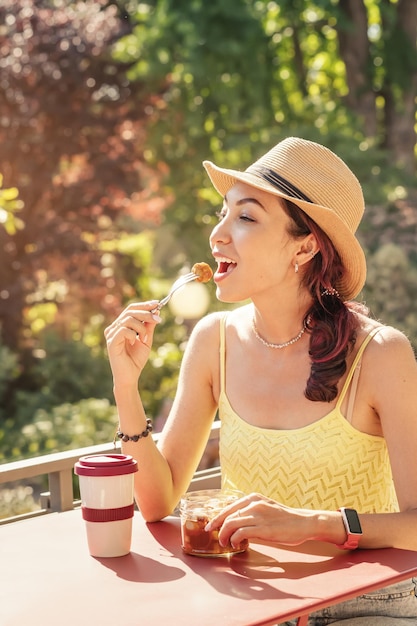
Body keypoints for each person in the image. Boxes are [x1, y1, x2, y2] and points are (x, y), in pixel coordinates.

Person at [105, 137, 417, 624]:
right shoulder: (215, 341)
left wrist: (309, 525)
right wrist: (126, 386)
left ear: (305, 246)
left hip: (362, 605)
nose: (218, 235)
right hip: (247, 599)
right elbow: (158, 501)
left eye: (246, 217)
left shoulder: (380, 354)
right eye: (222, 213)